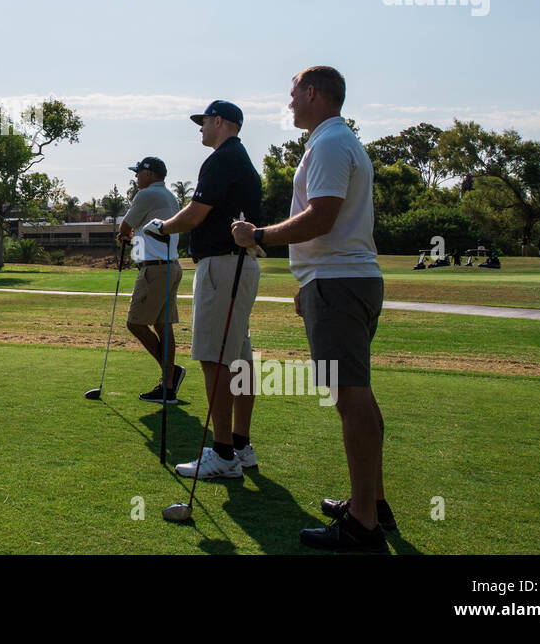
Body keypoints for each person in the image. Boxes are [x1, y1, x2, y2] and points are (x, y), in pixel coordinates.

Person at [232, 66, 394, 552]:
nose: (289, 103)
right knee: (357, 393)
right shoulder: (336, 141)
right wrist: (307, 280)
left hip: (340, 282)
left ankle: (363, 522)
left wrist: (258, 236)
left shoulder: (327, 144)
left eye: (294, 94)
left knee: (350, 396)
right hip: (341, 279)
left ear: (315, 94)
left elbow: (320, 217)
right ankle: (372, 504)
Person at [147, 101, 263, 480]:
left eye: (203, 123)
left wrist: (162, 228)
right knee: (239, 356)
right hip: (241, 264)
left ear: (219, 122)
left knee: (215, 358)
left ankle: (224, 452)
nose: (200, 130)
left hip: (221, 266)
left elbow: (195, 213)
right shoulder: (241, 158)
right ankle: (241, 446)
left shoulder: (220, 160)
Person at [116, 157, 185, 403]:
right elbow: (148, 233)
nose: (136, 178)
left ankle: (170, 374)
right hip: (171, 266)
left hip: (155, 270)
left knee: (135, 323)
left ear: (150, 173)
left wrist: (125, 235)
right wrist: (134, 238)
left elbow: (125, 227)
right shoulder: (169, 196)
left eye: (138, 173)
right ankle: (167, 384)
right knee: (163, 325)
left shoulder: (146, 195)